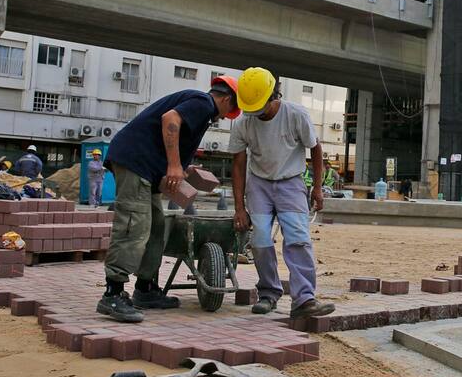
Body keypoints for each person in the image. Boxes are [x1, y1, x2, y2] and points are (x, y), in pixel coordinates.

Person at [97, 76, 241, 322]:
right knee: (134, 225)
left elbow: (171, 135)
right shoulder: (203, 102)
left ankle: (145, 289)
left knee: (156, 226)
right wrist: (174, 165)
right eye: (230, 110)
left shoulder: (200, 109)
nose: (225, 116)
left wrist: (184, 168)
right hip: (136, 164)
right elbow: (170, 120)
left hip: (146, 168)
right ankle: (113, 293)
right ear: (226, 99)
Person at [230, 67, 334, 320]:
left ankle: (304, 299)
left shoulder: (296, 115)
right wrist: (239, 208)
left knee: (298, 239)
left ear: (273, 96)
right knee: (260, 240)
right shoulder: (244, 122)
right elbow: (238, 164)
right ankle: (268, 293)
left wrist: (317, 187)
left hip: (291, 182)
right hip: (259, 185)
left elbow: (316, 149)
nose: (255, 113)